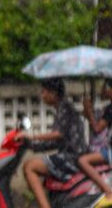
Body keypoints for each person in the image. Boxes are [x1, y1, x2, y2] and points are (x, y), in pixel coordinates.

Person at [16, 78, 87, 208]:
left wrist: (31, 136)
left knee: (29, 166)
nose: (41, 95)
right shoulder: (61, 109)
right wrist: (32, 146)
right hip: (69, 154)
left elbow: (58, 134)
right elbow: (56, 141)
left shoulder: (65, 108)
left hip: (71, 157)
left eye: (43, 92)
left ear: (53, 93)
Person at [79, 79, 112, 207]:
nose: (102, 90)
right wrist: (88, 111)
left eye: (105, 87)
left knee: (83, 161)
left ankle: (109, 192)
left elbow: (97, 128)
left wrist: (89, 110)